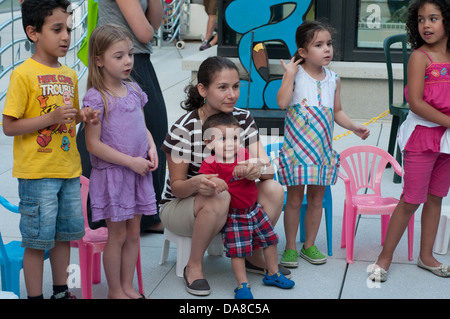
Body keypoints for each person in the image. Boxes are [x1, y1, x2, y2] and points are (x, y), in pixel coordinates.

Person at [160, 56, 286, 296]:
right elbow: (176, 188)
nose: (232, 94)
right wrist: (197, 183)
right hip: (182, 206)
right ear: (202, 89)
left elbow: (268, 170)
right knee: (219, 196)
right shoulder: (184, 129)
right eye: (223, 87)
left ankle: (252, 255)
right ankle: (193, 266)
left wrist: (255, 167)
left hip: (232, 203)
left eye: (236, 86)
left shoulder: (243, 119)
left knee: (274, 189)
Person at [1, 0, 99, 299]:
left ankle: (64, 291)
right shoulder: (23, 74)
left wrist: (84, 115)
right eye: (56, 29)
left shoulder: (69, 74)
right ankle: (35, 296)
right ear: (33, 33)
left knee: (66, 238)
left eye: (68, 29)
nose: (66, 36)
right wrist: (50, 118)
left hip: (69, 170)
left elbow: (68, 117)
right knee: (36, 241)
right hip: (38, 174)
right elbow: (9, 126)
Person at [277, 21, 370, 267]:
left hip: (321, 152)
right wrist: (288, 75)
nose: (327, 49)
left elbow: (337, 111)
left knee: (317, 200)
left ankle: (309, 246)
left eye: (329, 44)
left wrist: (354, 127)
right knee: (295, 200)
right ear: (303, 52)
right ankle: (289, 248)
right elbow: (283, 103)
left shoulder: (334, 79)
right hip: (297, 151)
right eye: (319, 45)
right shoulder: (296, 76)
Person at [370, 0, 450, 282]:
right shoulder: (420, 57)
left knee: (436, 197)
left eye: (433, 18)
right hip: (422, 137)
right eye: (420, 20)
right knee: (411, 199)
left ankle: (426, 256)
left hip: (447, 141)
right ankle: (384, 258)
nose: (426, 25)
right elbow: (415, 103)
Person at [77, 0, 167, 233]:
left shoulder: (132, 83)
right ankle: (94, 214)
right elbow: (145, 32)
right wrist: (126, 54)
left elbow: (154, 24)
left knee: (146, 132)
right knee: (108, 134)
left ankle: (140, 212)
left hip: (134, 59)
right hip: (120, 62)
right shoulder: (100, 92)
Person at [83, 24, 158, 299]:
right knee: (116, 235)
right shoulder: (97, 97)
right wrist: (130, 162)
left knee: (134, 233)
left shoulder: (135, 90)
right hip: (115, 175)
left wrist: (151, 147)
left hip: (137, 173)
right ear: (99, 60)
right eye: (119, 56)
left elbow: (142, 126)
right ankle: (115, 290)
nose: (127, 61)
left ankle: (128, 286)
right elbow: (93, 144)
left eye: (130, 54)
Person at [199, 113, 294, 299]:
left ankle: (273, 273)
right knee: (238, 252)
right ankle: (242, 284)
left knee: (270, 241)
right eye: (222, 139)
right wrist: (215, 182)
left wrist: (252, 168)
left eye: (234, 138)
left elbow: (257, 164)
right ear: (209, 143)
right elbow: (205, 182)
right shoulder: (210, 163)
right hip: (234, 216)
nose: (230, 143)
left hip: (255, 210)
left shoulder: (243, 154)